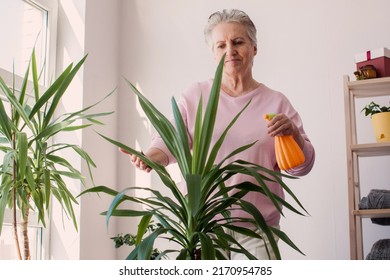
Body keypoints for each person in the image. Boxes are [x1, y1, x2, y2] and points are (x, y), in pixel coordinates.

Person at [121, 9, 315, 259]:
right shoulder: (195, 96)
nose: (230, 51)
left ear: (254, 48)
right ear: (213, 54)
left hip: (258, 228)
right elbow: (171, 140)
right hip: (205, 225)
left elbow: (302, 167)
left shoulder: (276, 103)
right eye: (221, 45)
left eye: (238, 42)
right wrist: (149, 157)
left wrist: (295, 135)